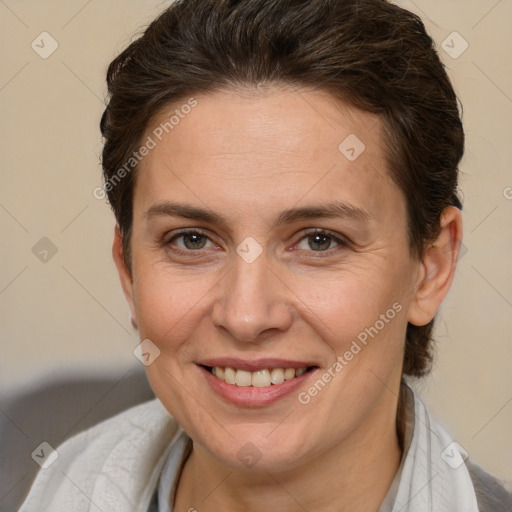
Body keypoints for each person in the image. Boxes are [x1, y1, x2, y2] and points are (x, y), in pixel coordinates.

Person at [19, 0, 512, 510]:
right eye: (192, 240)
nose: (247, 315)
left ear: (430, 269)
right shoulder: (50, 483)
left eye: (319, 240)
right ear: (129, 271)